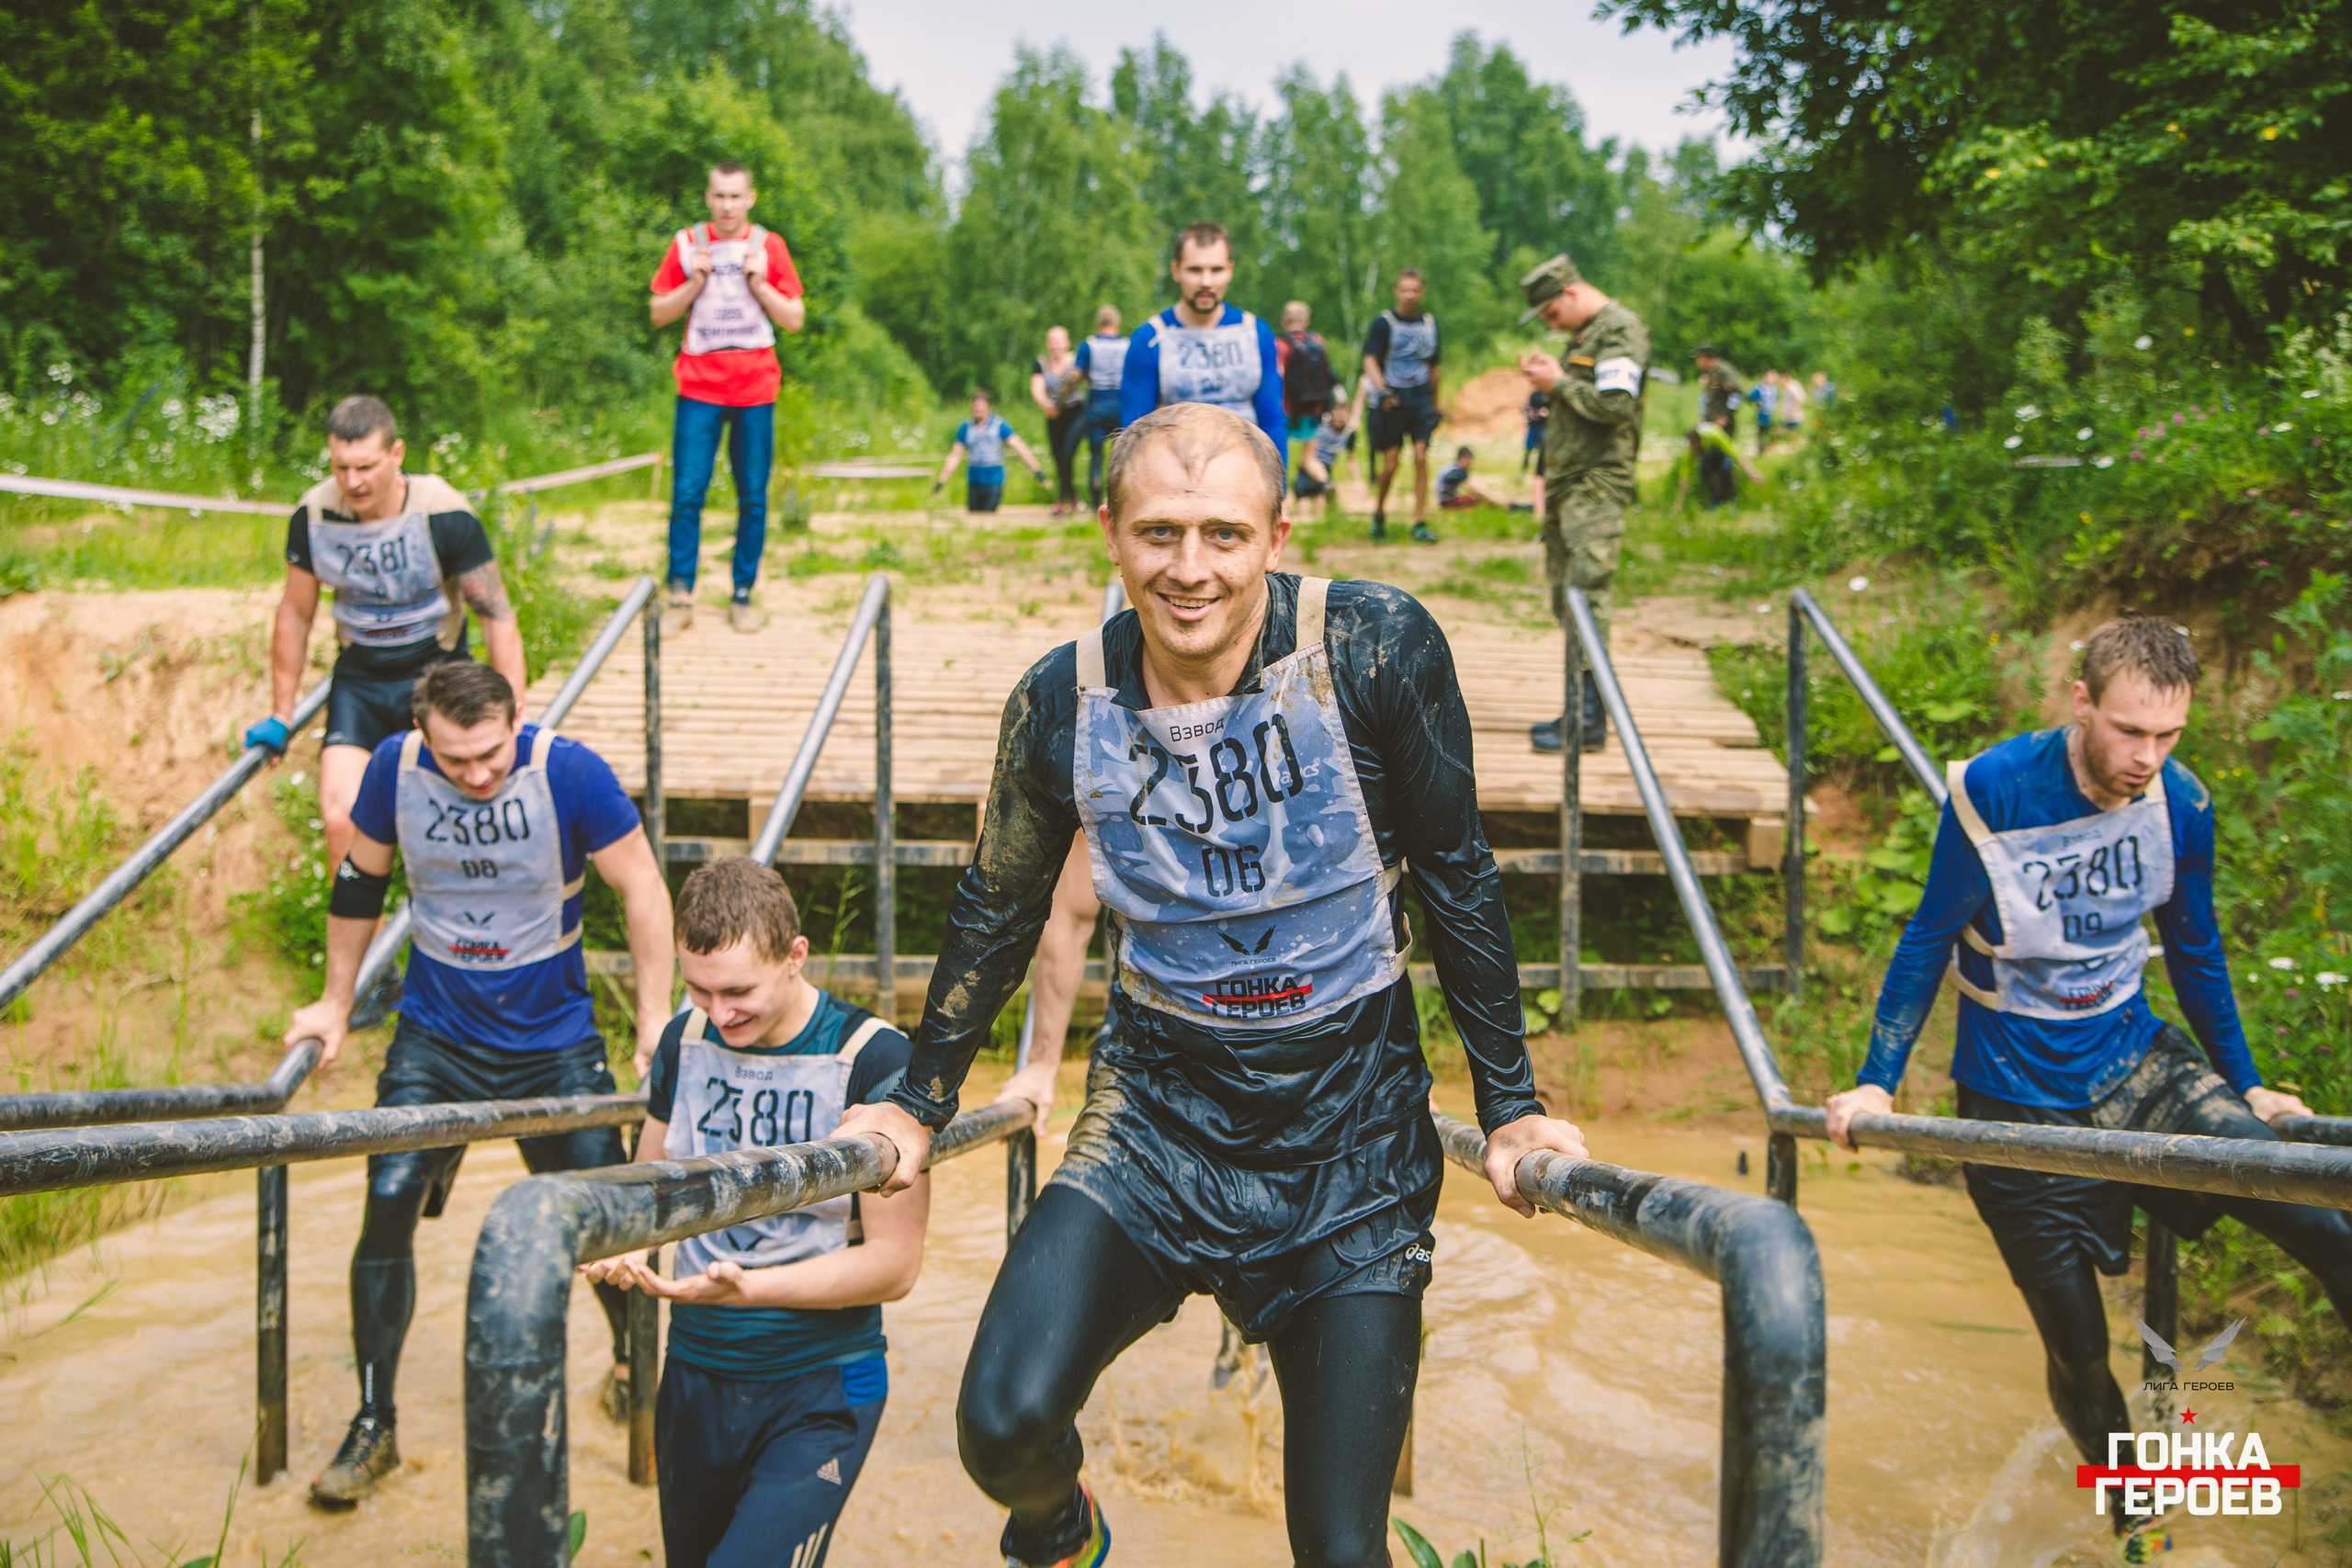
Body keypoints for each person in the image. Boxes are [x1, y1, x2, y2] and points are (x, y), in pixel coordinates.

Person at [837, 402, 1586, 1568]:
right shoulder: (1060, 700)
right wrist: (917, 1102)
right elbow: (1000, 901)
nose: (1191, 570)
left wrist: (1509, 1108)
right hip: (1157, 1125)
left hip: (1352, 1150)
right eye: (1160, 533)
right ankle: (1068, 1529)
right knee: (1001, 1427)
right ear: (1110, 534)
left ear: (1276, 535)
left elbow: (1457, 874)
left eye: (1225, 536)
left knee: (1341, 1550)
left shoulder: (1375, 648)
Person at [1824, 618, 2352, 1563]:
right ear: (2079, 703)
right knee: (2075, 1348)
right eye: (2127, 732)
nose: (2145, 757)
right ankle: (2138, 1523)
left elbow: (2194, 950)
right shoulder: (1994, 788)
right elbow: (1925, 936)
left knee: (2322, 1219)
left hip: (2137, 1065)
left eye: (2167, 736)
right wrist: (1874, 1082)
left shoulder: (2181, 805)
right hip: (2012, 1101)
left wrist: (2250, 1083)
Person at [284, 660, 674, 1505]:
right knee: (387, 1195)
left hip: (552, 1040)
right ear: (425, 734)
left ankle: (632, 1374)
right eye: (457, 759)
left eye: (490, 753)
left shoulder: (566, 769)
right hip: (438, 1038)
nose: (477, 774)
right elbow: (359, 880)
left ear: (516, 717)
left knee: (602, 1216)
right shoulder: (394, 768)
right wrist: (334, 1003)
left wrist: (653, 1020)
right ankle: (374, 1420)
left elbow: (641, 884)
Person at [584, 856, 926, 1568]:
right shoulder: (685, 1037)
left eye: (739, 990)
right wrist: (630, 1246)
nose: (721, 1011)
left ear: (796, 955)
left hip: (820, 1388)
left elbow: (896, 1266)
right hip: (694, 1376)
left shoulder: (874, 1057)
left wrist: (749, 1287)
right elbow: (648, 1189)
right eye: (699, 989)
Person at [246, 395, 526, 879]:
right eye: (341, 468)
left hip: (438, 675)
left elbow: (496, 615)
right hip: (361, 680)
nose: (353, 482)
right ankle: (362, 950)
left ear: (396, 455)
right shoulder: (314, 516)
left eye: (366, 467)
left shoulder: (443, 512)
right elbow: (295, 614)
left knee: (461, 814)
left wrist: (513, 714)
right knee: (339, 819)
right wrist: (281, 713)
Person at [649, 160, 808, 635]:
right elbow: (658, 312)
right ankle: (681, 594)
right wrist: (693, 284)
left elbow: (795, 317)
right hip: (698, 388)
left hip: (756, 389)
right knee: (687, 494)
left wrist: (759, 284)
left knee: (752, 496)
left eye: (736, 196)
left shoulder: (768, 246)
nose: (727, 205)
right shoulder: (686, 244)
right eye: (719, 196)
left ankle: (742, 593)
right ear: (707, 197)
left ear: (750, 198)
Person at [1517, 254, 1648, 756]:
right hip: (1569, 485)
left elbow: (1617, 406)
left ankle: (1590, 722)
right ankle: (1578, 709)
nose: (1552, 324)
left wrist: (1559, 383)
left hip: (1597, 485)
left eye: (1552, 314)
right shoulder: (1586, 334)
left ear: (1571, 293)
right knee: (1567, 598)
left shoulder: (1620, 330)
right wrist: (1550, 391)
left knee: (1587, 595)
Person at [1119, 221, 1287, 461]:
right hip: (1174, 478)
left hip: (1245, 477)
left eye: (1216, 270)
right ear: (1176, 270)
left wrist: (1279, 491)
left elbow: (1272, 419)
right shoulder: (1150, 340)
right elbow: (1134, 434)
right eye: (1195, 270)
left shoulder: (1255, 333)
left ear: (1230, 270)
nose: (1206, 282)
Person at [1362, 270, 1442, 544]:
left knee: (1421, 458)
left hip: (1419, 399)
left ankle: (1419, 521)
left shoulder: (1430, 324)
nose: (1410, 296)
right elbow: (1370, 360)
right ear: (1397, 291)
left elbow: (1435, 366)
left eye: (1415, 290)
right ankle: (1379, 512)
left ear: (1422, 292)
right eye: (1405, 290)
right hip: (1393, 399)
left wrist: (1435, 404)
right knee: (1391, 463)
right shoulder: (1384, 324)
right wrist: (1382, 389)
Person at [933, 390, 1045, 515]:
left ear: (988, 406)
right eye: (975, 407)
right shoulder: (966, 428)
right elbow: (954, 456)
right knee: (973, 517)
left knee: (988, 517)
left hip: (994, 479)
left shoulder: (999, 425)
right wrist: (940, 482)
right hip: (974, 479)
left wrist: (1038, 472)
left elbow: (1019, 448)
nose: (978, 410)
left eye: (981, 407)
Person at [1074, 307, 1130, 511]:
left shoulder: (1089, 345)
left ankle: (1095, 503)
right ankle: (1118, 502)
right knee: (1121, 456)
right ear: (1117, 322)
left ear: (1099, 323)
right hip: (1120, 406)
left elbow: (1077, 375)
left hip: (1097, 404)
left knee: (1096, 456)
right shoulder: (1127, 345)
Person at [1031, 326, 1087, 516]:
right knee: (1058, 459)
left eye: (1059, 341)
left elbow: (1088, 380)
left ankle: (1062, 500)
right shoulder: (1041, 363)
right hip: (1054, 415)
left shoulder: (1076, 361)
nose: (1056, 345)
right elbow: (1037, 388)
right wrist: (1046, 404)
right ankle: (1072, 498)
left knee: (1066, 454)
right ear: (1048, 344)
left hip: (1075, 414)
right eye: (1052, 341)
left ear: (1067, 343)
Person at [1275, 301, 1336, 456]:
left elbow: (1279, 375)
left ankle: (1283, 479)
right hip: (1314, 408)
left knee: (1279, 453)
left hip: (1288, 408)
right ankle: (1323, 479)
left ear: (1284, 321)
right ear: (1307, 321)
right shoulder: (1317, 340)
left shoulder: (1281, 344)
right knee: (1310, 457)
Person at [1290, 396, 1358, 522]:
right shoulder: (1320, 425)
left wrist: (1358, 481)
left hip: (1325, 472)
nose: (1339, 417)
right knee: (1304, 513)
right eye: (1337, 412)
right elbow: (1307, 454)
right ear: (1332, 412)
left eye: (1343, 414)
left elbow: (1351, 459)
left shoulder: (1349, 434)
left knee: (1320, 516)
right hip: (1308, 469)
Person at [1436, 446, 1506, 511]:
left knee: (1476, 496)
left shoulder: (1451, 467)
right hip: (1448, 503)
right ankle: (1500, 507)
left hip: (1444, 500)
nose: (1470, 463)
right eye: (1468, 459)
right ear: (1461, 458)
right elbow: (1475, 488)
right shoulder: (1456, 472)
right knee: (1478, 497)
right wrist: (1496, 500)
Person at [1521, 385, 1550, 511]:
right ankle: (1523, 472)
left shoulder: (1545, 395)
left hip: (1542, 428)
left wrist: (1542, 415)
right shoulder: (1535, 395)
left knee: (1541, 455)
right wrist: (1532, 414)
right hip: (1534, 427)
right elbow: (1526, 408)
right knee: (1528, 451)